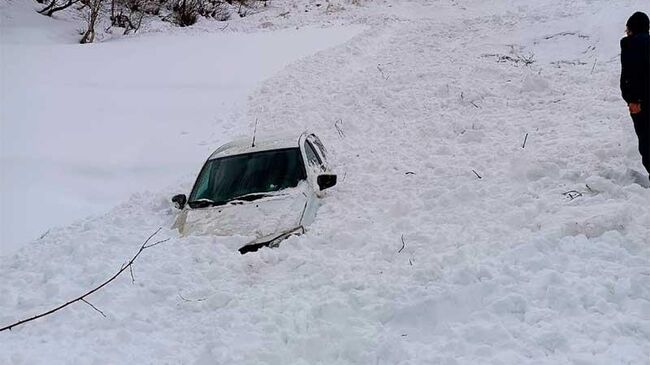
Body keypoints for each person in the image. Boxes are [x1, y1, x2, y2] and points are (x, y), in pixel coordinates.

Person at [620, 11, 650, 177]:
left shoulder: (631, 45)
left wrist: (633, 99)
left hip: (641, 102)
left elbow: (633, 74)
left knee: (646, 141)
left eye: (628, 28)